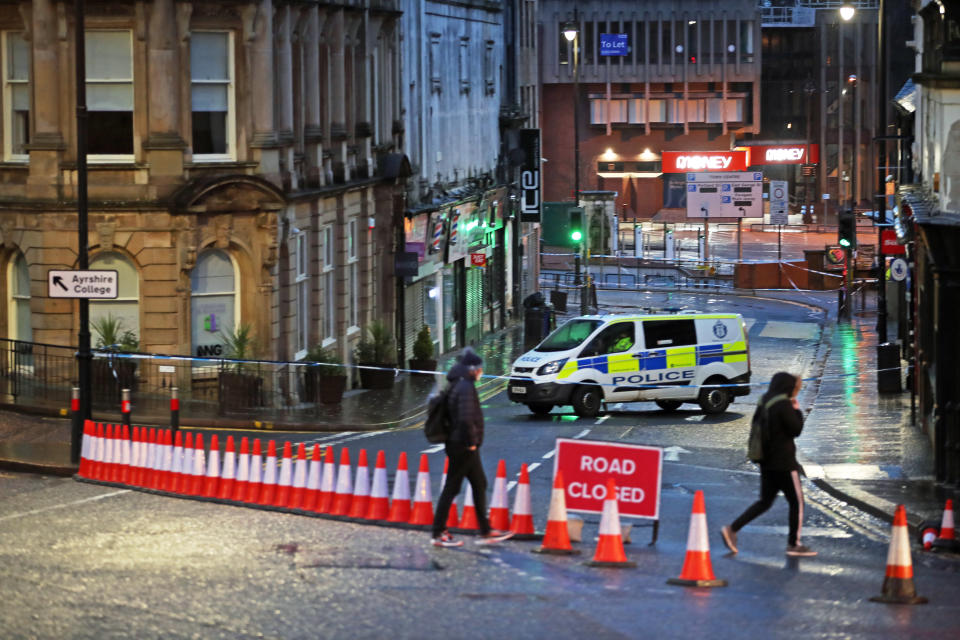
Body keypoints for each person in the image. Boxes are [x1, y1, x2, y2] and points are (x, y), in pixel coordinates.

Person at [721, 372, 817, 557]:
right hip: (784, 463)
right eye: (795, 388)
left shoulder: (765, 401)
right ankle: (794, 544)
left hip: (766, 461)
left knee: (765, 501)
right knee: (797, 502)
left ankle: (732, 529)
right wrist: (797, 409)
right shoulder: (783, 404)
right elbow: (796, 429)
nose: (795, 391)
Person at [431, 347, 514, 547]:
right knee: (452, 487)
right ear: (472, 369)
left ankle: (485, 531)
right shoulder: (465, 387)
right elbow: (466, 419)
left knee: (479, 483)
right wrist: (471, 444)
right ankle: (438, 533)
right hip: (463, 445)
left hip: (461, 444)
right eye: (479, 369)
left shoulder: (458, 384)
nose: (481, 372)